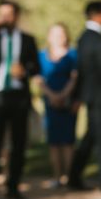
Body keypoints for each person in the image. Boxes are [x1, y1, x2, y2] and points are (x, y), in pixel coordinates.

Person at [0, 1, 40, 199]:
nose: (5, 18)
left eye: (9, 14)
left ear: (16, 15)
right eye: (1, 14)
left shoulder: (28, 39)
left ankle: (13, 187)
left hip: (19, 96)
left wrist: (26, 71)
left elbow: (36, 68)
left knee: (18, 143)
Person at [68, 1, 101, 191]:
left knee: (92, 136)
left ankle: (74, 176)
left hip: (93, 96)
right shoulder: (98, 40)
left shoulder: (84, 38)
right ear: (98, 14)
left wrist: (78, 96)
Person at [37, 23, 78, 187]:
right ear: (49, 36)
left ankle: (69, 176)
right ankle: (57, 176)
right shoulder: (41, 55)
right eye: (54, 34)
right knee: (54, 142)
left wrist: (63, 95)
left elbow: (75, 77)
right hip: (49, 102)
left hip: (68, 102)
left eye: (61, 33)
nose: (58, 37)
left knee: (68, 140)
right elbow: (38, 79)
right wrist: (52, 96)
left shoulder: (73, 54)